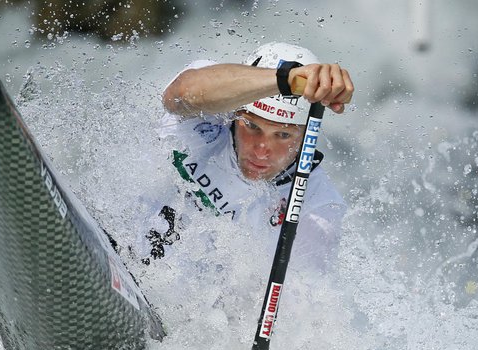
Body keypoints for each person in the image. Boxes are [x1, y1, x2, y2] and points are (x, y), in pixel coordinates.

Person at [138, 42, 354, 275]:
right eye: (251, 126)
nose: (261, 150)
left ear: (305, 136)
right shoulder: (212, 104)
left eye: (282, 135)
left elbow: (302, 299)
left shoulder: (317, 206)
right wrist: (285, 80)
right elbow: (177, 95)